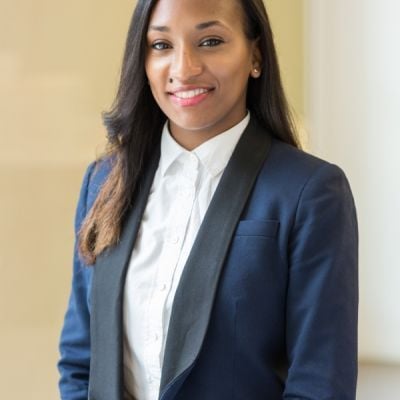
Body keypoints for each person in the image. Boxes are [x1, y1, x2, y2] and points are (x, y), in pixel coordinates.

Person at [58, 0, 358, 399]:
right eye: (162, 45)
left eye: (210, 41)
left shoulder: (310, 192)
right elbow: (81, 361)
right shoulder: (104, 182)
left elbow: (320, 382)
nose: (184, 69)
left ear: (255, 55)